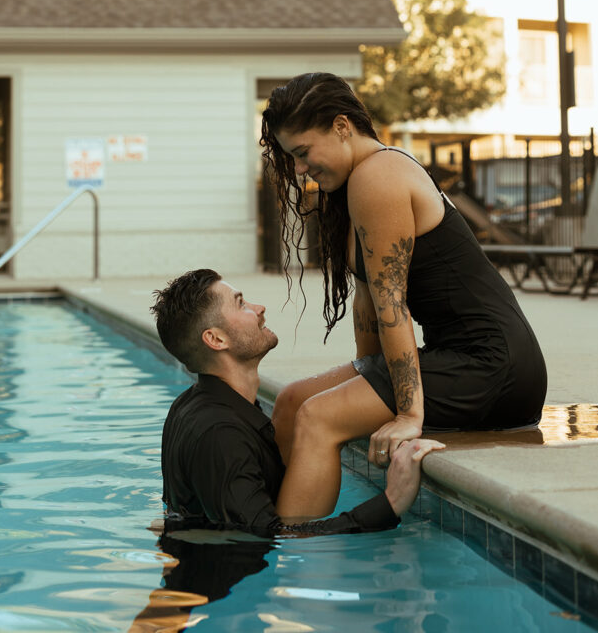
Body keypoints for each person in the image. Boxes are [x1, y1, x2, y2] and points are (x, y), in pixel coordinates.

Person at [259, 72, 547, 522]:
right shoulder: (358, 180)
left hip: (493, 367)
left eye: (302, 152)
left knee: (319, 417)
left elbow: (393, 306)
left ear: (340, 127)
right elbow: (367, 304)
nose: (299, 169)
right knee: (292, 401)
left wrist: (408, 415)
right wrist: (365, 380)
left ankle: (293, 550)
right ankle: (266, 520)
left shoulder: (380, 175)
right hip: (461, 359)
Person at [151, 268, 444, 534]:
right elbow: (270, 538)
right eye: (241, 304)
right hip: (238, 586)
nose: (259, 308)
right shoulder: (221, 435)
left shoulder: (189, 406)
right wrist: (390, 502)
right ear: (216, 340)